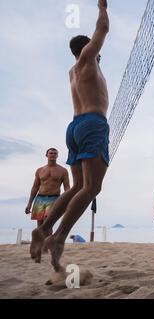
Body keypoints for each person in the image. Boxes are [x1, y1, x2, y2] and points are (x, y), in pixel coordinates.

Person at [30, 0, 110, 272]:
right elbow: (103, 28)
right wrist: (102, 7)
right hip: (92, 123)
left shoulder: (72, 71)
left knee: (77, 187)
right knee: (92, 188)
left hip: (74, 127)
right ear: (87, 49)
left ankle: (45, 229)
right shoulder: (87, 60)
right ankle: (58, 237)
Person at [25, 148, 70, 227]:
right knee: (39, 223)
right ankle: (40, 239)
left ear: (57, 156)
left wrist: (67, 202)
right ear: (46, 155)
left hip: (54, 198)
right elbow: (35, 187)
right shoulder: (40, 170)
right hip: (40, 198)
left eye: (55, 153)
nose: (53, 155)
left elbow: (67, 188)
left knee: (48, 222)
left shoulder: (63, 170)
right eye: (51, 153)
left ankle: (48, 239)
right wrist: (29, 204)